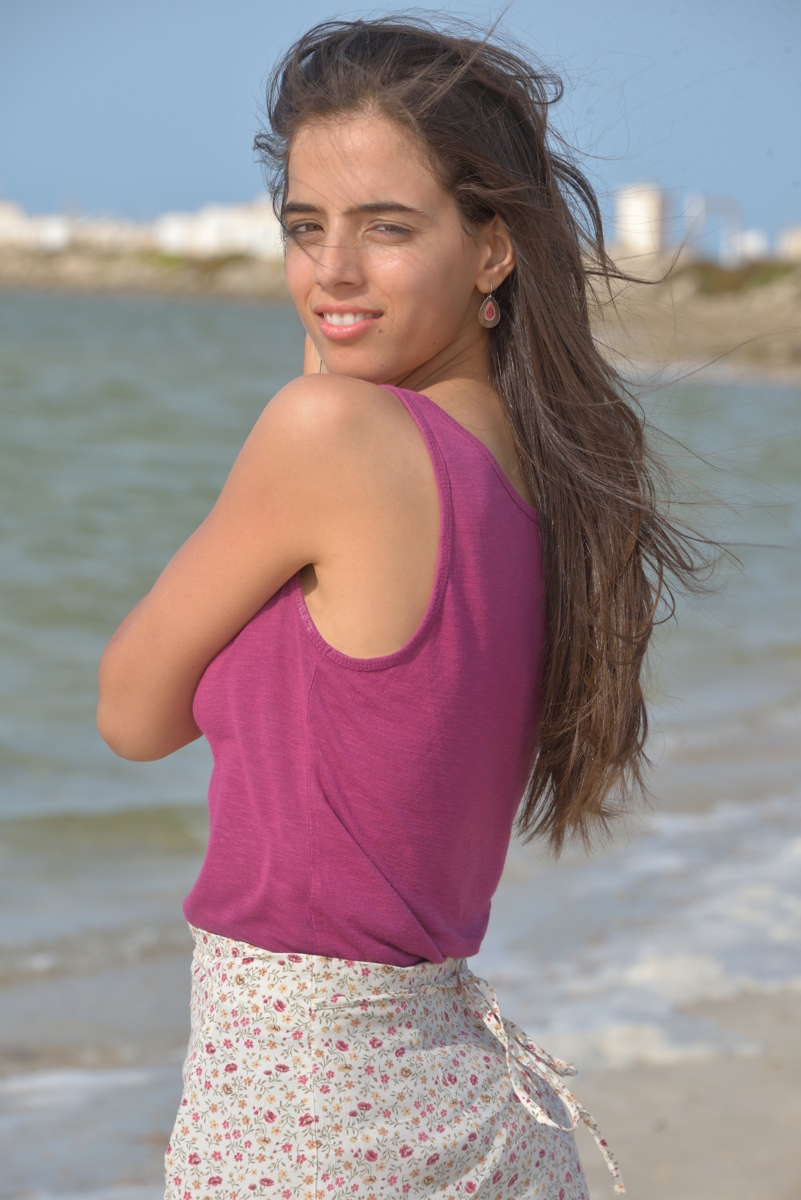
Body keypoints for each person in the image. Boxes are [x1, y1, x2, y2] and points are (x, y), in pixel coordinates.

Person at [98, 17, 701, 1200]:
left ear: (492, 250)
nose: (331, 269)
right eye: (304, 227)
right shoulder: (543, 482)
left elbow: (131, 711)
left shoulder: (329, 434)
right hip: (468, 1108)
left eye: (386, 228)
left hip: (307, 1117)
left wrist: (323, 382)